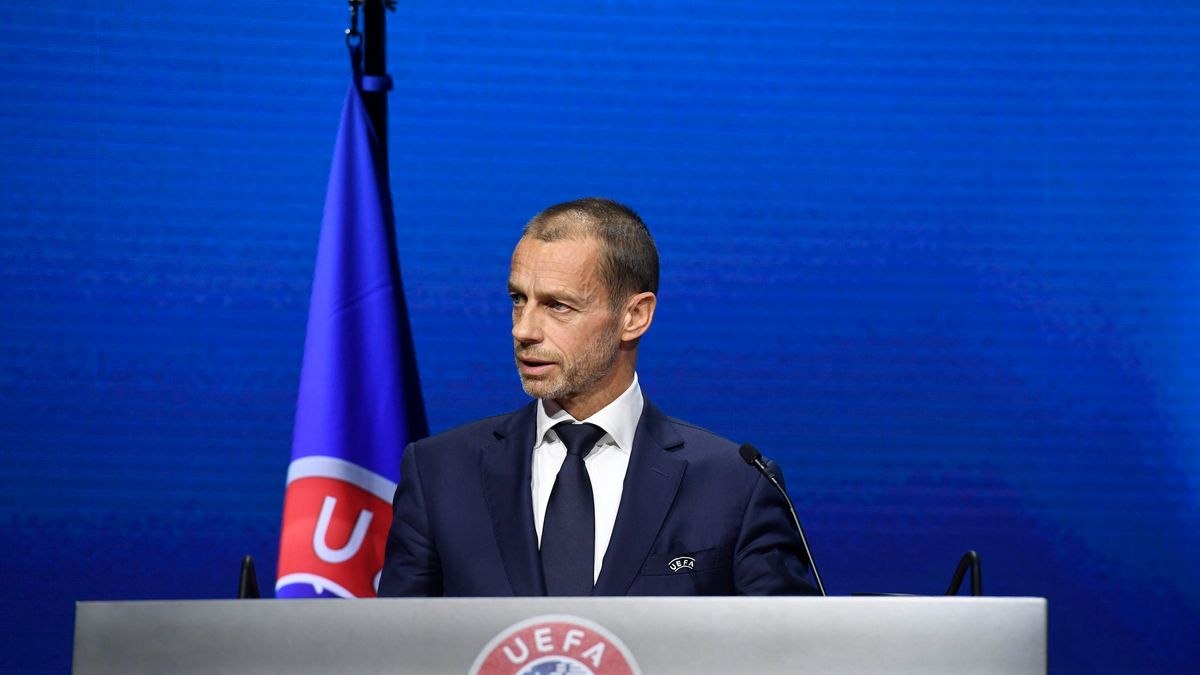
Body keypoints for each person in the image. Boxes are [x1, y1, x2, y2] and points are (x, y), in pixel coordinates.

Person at [378, 197, 817, 596]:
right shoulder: (439, 474)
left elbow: (788, 655)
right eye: (518, 299)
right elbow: (394, 653)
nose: (523, 329)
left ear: (634, 316)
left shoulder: (735, 485)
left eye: (558, 306)